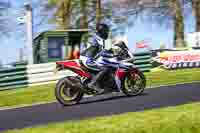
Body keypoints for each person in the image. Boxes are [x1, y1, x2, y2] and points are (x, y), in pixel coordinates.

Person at [79, 23, 110, 94]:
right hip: (87, 59)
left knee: (100, 68)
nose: (107, 32)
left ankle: (98, 83)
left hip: (86, 58)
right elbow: (105, 50)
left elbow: (108, 48)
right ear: (102, 31)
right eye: (106, 31)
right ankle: (92, 84)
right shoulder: (99, 38)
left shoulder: (97, 37)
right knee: (104, 69)